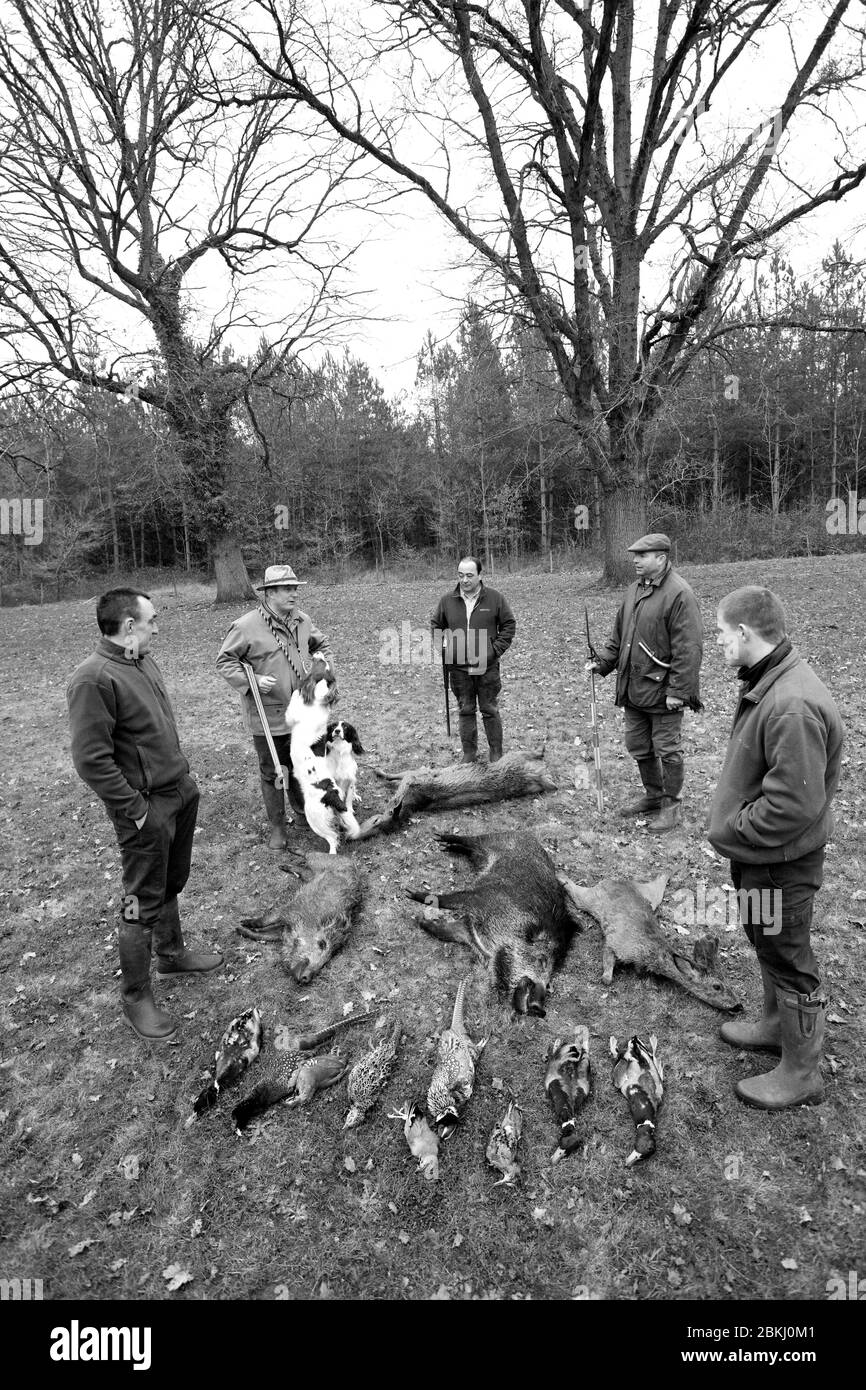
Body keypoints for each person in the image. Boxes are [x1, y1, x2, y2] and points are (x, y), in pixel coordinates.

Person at [67, 589, 222, 1043]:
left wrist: (184, 783)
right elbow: (91, 759)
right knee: (139, 899)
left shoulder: (142, 661)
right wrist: (136, 811)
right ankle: (136, 995)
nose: (157, 626)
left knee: (171, 880)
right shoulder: (93, 679)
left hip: (178, 793)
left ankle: (171, 954)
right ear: (129, 625)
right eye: (151, 619)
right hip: (144, 809)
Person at [708, 586, 842, 1110]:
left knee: (788, 954)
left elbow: (793, 804)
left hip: (780, 864)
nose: (719, 642)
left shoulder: (791, 704)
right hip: (761, 860)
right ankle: (773, 1023)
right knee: (766, 940)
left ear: (744, 633)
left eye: (722, 633)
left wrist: (736, 828)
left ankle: (802, 1071)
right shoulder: (772, 681)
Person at [586, 533, 702, 832]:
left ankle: (671, 807)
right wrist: (603, 663)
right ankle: (653, 795)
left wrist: (679, 691)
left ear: (661, 558)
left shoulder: (680, 594)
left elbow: (689, 648)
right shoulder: (634, 590)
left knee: (667, 749)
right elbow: (619, 636)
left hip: (664, 691)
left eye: (642, 555)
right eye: (634, 555)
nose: (635, 560)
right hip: (633, 687)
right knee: (638, 745)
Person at [216, 564, 334, 849]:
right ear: (269, 593)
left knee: (305, 765)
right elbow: (225, 662)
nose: (294, 594)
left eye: (296, 589)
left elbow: (322, 646)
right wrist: (253, 680)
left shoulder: (303, 620)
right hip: (269, 717)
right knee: (273, 773)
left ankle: (304, 810)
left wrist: (324, 671)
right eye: (287, 589)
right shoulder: (245, 626)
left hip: (307, 715)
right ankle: (278, 827)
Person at [430, 556, 516, 763]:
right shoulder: (447, 601)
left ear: (480, 575)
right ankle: (469, 753)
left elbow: (508, 625)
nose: (465, 580)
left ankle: (496, 751)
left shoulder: (495, 599)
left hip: (486, 666)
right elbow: (436, 625)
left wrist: (494, 650)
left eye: (469, 575)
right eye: (461, 575)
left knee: (489, 708)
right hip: (458, 668)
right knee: (466, 709)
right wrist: (444, 648)